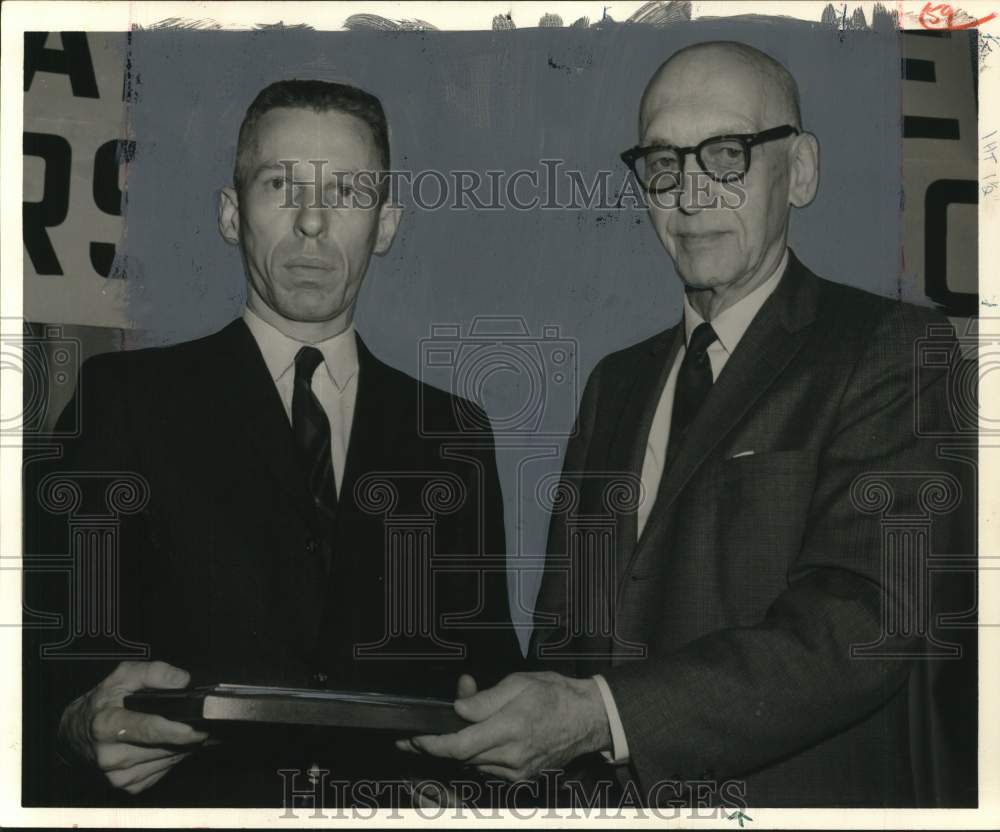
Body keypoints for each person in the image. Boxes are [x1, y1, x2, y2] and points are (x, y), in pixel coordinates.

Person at [399, 41, 974, 807]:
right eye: (664, 163)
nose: (691, 195)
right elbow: (565, 643)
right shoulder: (616, 385)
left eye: (727, 155)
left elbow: (864, 624)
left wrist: (600, 716)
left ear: (801, 170)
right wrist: (500, 750)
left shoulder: (893, 349)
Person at [23, 79, 521, 808]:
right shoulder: (123, 400)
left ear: (386, 225)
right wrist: (75, 725)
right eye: (281, 185)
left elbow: (491, 676)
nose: (313, 222)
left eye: (346, 191)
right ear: (232, 214)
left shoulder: (453, 432)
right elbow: (38, 656)